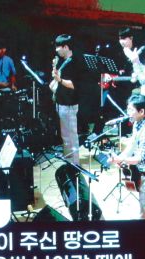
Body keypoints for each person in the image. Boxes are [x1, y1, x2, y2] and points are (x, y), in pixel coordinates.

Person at [111, 93, 145, 218]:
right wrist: (120, 157)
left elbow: (139, 158)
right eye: (128, 109)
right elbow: (132, 145)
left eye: (131, 110)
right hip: (143, 174)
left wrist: (121, 159)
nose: (128, 113)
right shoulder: (138, 123)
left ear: (141, 111)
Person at [51, 35, 84, 164]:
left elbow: (74, 84)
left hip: (69, 104)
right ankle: (69, 162)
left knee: (71, 137)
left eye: (58, 47)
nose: (56, 50)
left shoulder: (75, 62)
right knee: (66, 137)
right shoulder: (62, 61)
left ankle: (74, 164)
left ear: (65, 47)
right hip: (62, 103)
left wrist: (59, 79)